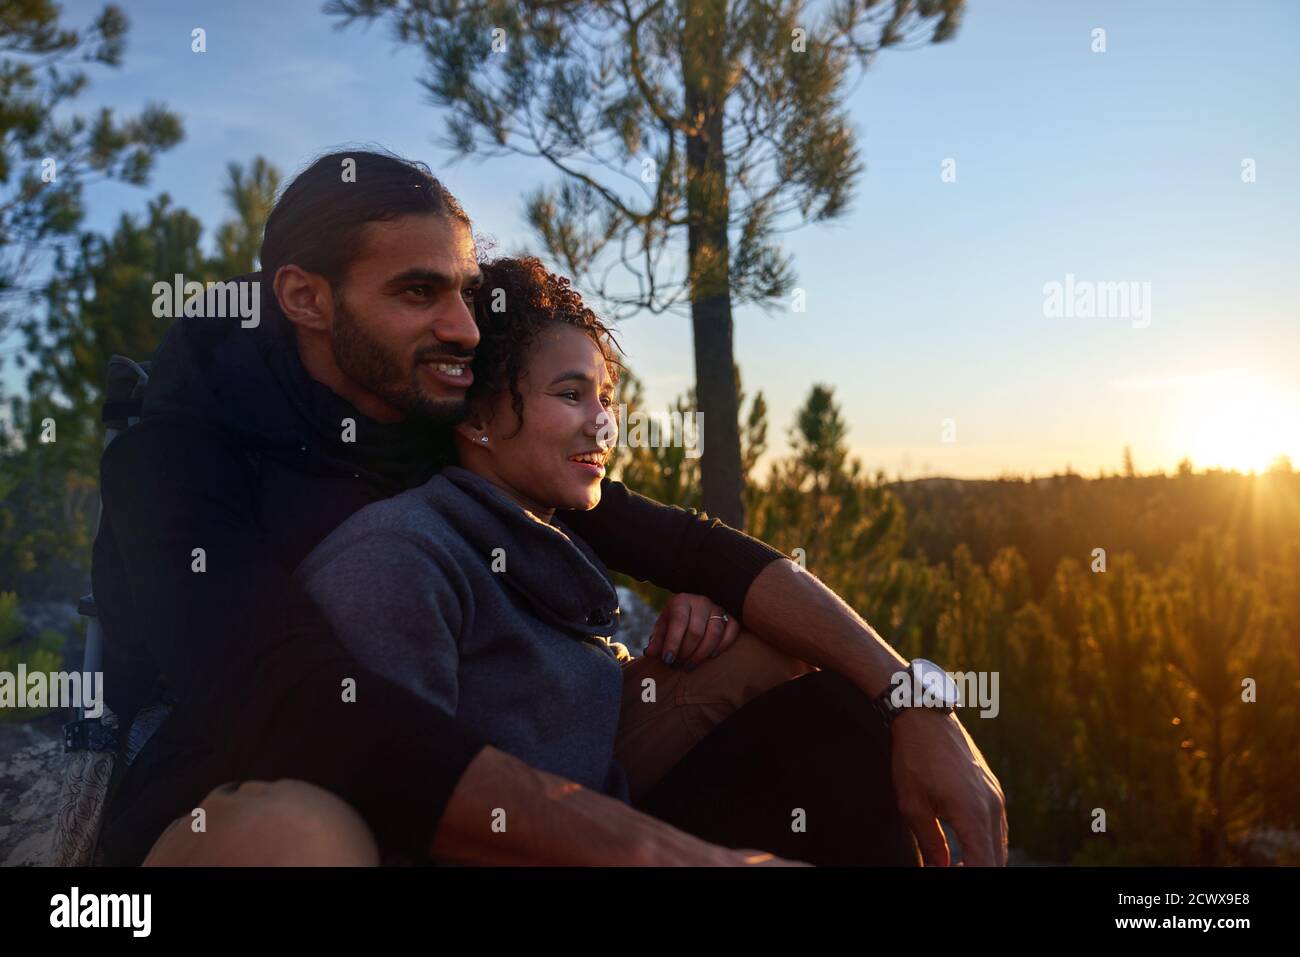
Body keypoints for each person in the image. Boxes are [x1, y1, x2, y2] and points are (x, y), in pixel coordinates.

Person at [93, 148, 1007, 866]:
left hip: (466, 757)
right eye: (420, 291)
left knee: (808, 671)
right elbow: (302, 708)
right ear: (306, 296)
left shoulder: (433, 409)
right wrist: (676, 857)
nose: (461, 326)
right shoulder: (175, 459)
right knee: (308, 835)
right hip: (241, 787)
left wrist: (917, 699)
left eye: (459, 288)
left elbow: (692, 546)